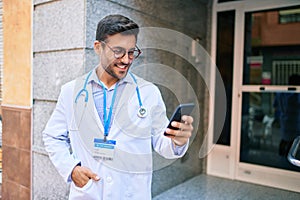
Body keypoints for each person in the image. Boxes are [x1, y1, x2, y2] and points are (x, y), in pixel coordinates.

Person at [43, 14, 194, 200]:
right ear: (98, 47)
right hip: (89, 193)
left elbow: (163, 144)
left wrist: (177, 141)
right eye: (118, 51)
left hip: (131, 194)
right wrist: (71, 169)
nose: (126, 60)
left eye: (131, 52)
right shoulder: (71, 92)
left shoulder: (148, 93)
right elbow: (52, 136)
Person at [274, 74, 300, 157]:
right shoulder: (296, 94)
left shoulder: (281, 92)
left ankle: (282, 156)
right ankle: (286, 158)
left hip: (284, 119)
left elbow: (275, 105)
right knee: (292, 141)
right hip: (294, 121)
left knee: (285, 139)